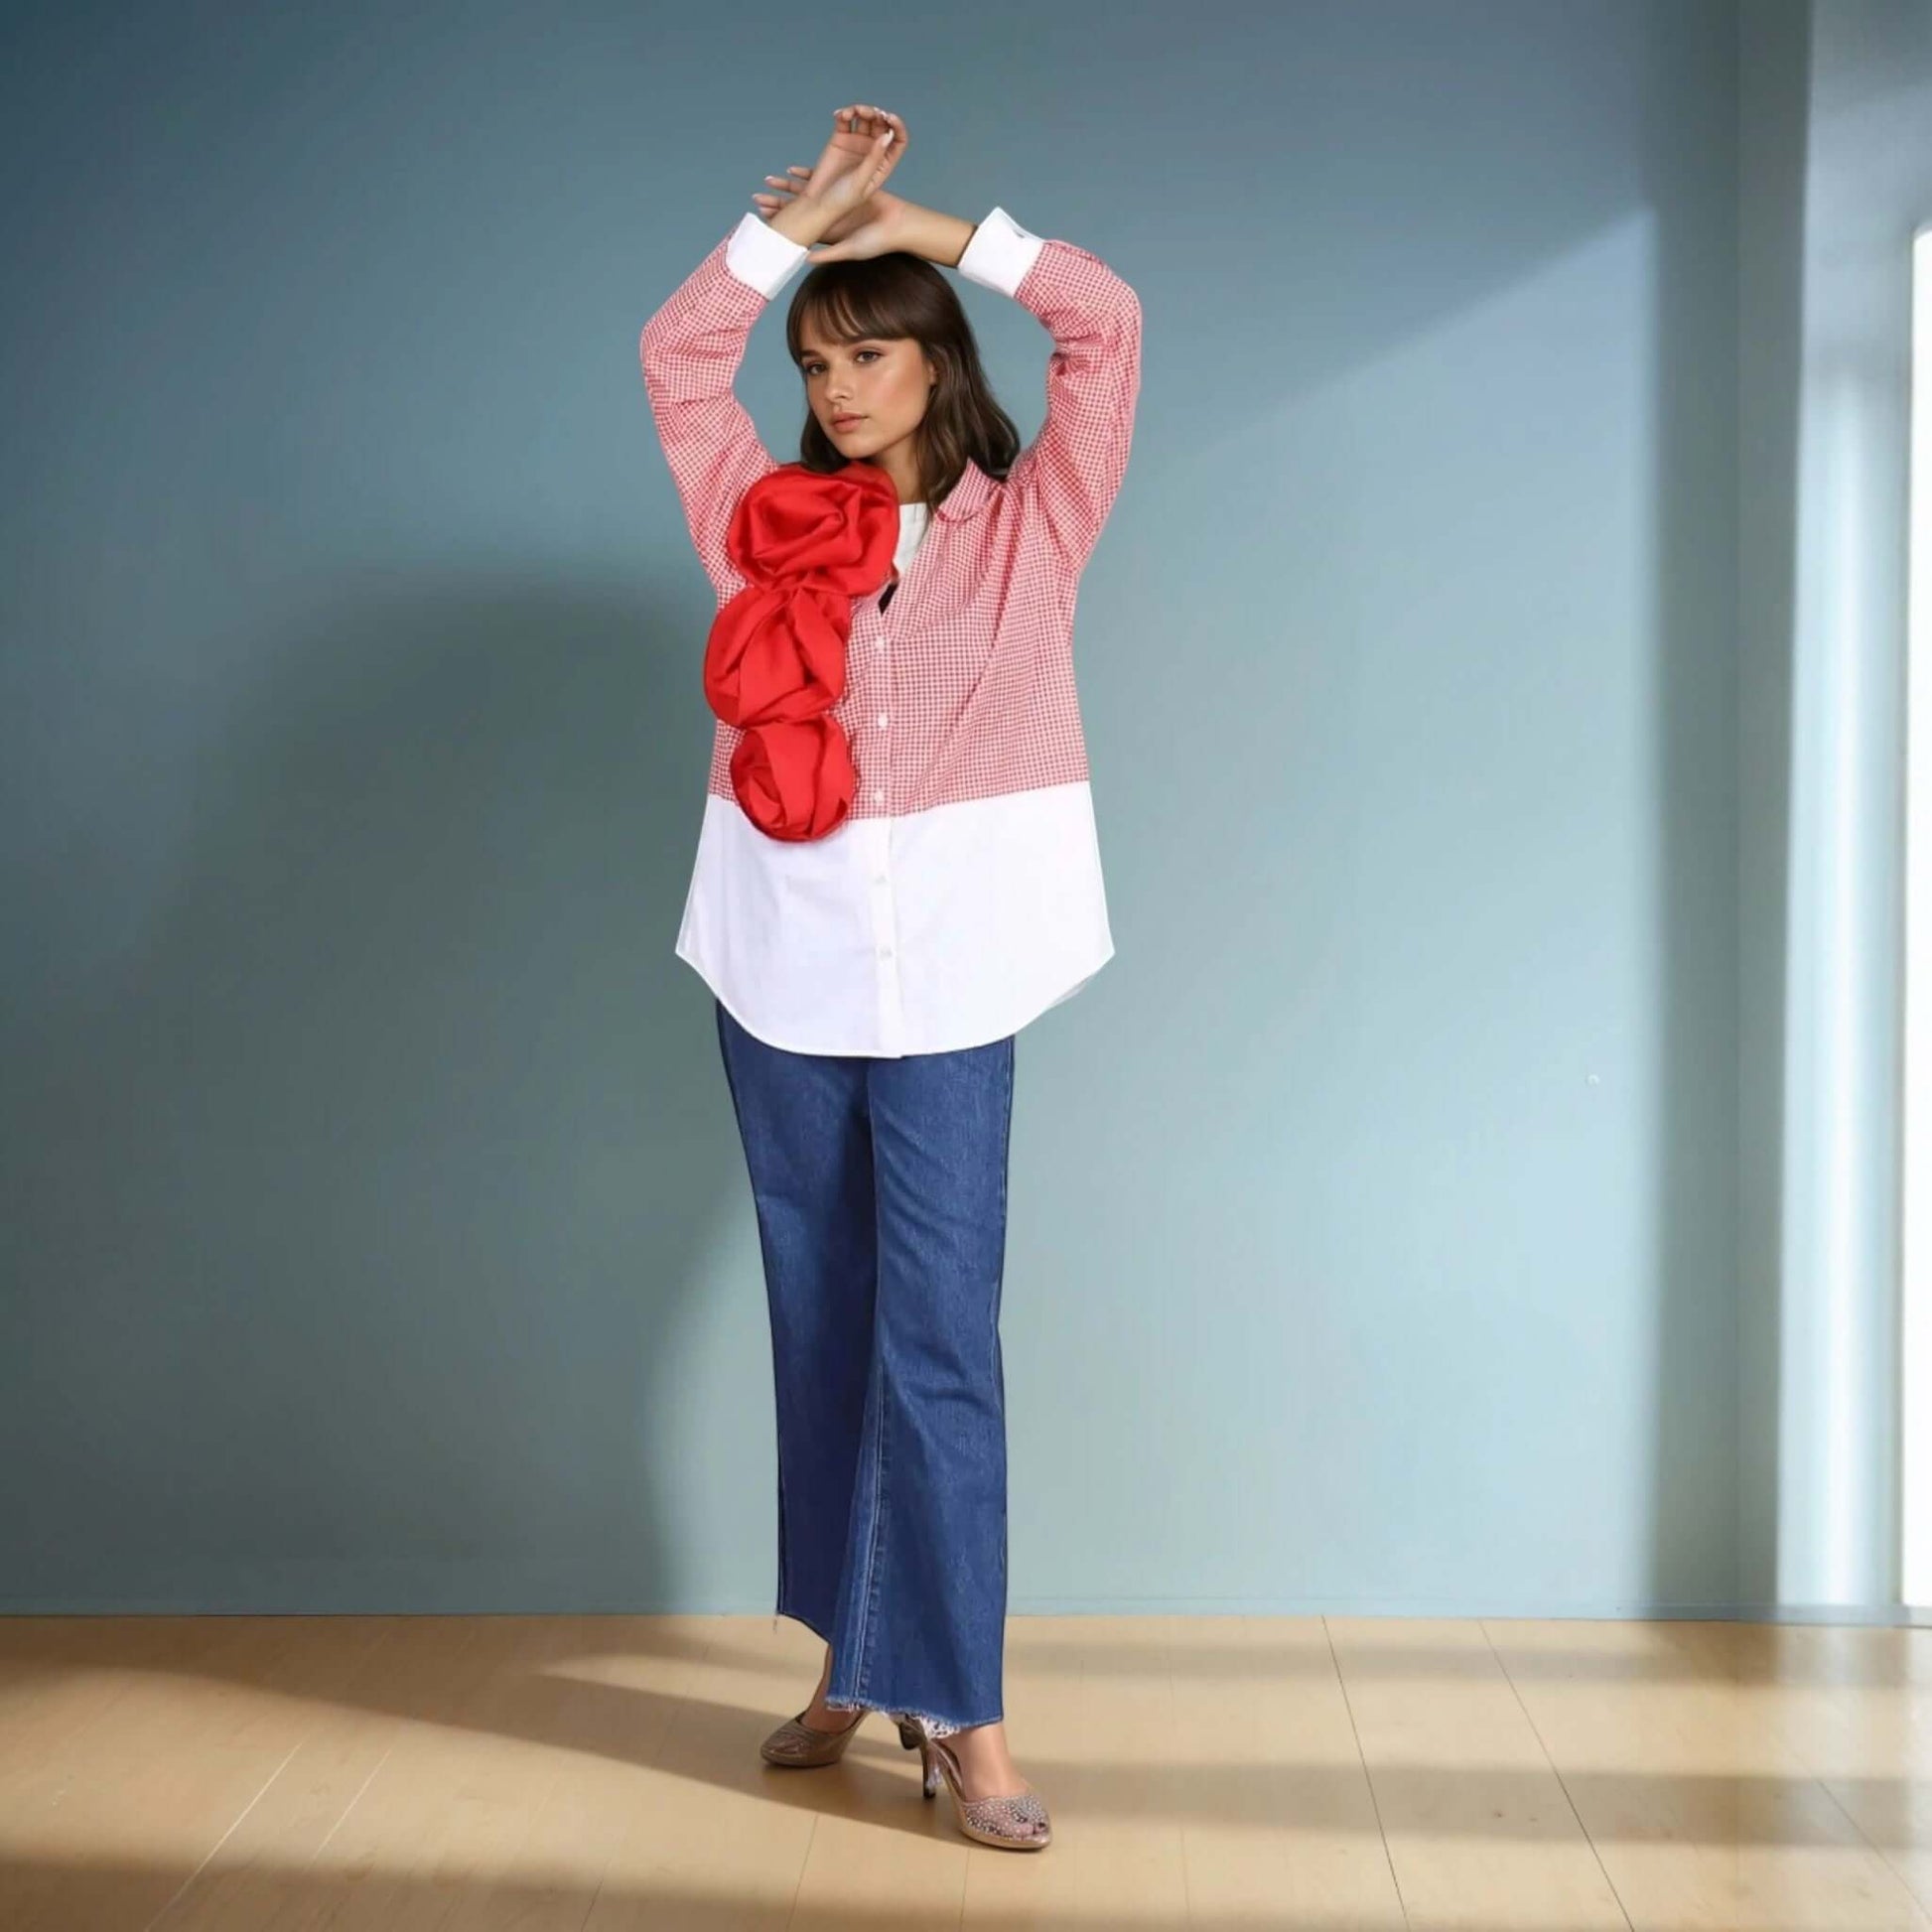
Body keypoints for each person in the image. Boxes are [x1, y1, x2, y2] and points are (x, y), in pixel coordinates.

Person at [638, 103, 1141, 1852]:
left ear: (931, 361)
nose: (835, 383)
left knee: (939, 1339)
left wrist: (916, 222)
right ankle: (857, 1658)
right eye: (815, 357)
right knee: (821, 1313)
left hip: (957, 975)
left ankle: (967, 1715)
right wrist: (792, 234)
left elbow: (1107, 320)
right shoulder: (758, 520)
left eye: (867, 353)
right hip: (779, 963)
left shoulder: (1030, 527)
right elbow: (673, 354)